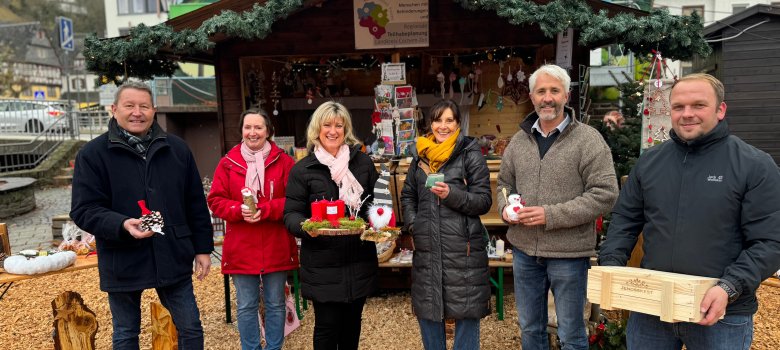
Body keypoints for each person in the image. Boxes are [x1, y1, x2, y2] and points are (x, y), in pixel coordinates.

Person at [598, 73, 780, 350]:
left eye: (698, 105)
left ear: (720, 110)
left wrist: (729, 287)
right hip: (652, 309)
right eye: (678, 107)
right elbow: (625, 219)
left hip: (720, 313)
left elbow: (770, 240)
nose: (687, 114)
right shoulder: (650, 163)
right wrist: (611, 265)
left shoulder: (754, 165)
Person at [70, 80, 213, 349]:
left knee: (191, 328)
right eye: (130, 105)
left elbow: (195, 202)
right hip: (122, 257)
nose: (137, 112)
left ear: (154, 110)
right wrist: (122, 223)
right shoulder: (93, 154)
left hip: (173, 252)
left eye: (144, 106)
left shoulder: (177, 149)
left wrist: (202, 249)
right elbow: (84, 209)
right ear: (114, 109)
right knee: (126, 333)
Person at [496, 64, 619, 350]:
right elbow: (504, 183)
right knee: (530, 329)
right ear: (531, 96)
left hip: (569, 254)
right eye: (541, 91)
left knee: (571, 333)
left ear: (566, 95)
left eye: (554, 90)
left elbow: (606, 194)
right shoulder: (519, 141)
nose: (547, 97)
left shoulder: (588, 140)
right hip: (525, 252)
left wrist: (549, 215)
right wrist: (505, 207)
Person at [283, 101, 379, 350]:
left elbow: (373, 205)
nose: (333, 131)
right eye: (327, 125)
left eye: (339, 125)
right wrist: (306, 225)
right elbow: (291, 214)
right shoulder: (303, 169)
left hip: (358, 261)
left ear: (346, 129)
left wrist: (379, 221)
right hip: (322, 264)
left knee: (352, 328)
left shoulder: (362, 164)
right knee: (326, 328)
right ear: (317, 129)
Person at [400, 99, 493, 350]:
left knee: (466, 312)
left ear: (457, 123)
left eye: (449, 120)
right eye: (438, 120)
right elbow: (408, 195)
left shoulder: (469, 153)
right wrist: (413, 224)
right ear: (430, 123)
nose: (443, 126)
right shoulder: (421, 154)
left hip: (463, 250)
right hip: (428, 247)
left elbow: (484, 200)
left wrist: (451, 194)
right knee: (429, 311)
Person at [207, 108, 298, 350]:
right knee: (246, 304)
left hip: (275, 241)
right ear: (242, 131)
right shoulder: (227, 164)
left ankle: (274, 348)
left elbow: (294, 200)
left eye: (258, 127)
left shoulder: (285, 162)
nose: (252, 132)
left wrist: (266, 210)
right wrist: (238, 210)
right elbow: (215, 200)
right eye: (248, 127)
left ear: (268, 131)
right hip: (242, 244)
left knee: (276, 302)